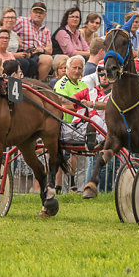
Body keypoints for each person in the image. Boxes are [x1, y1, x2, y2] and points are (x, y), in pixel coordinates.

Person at [54, 55, 87, 190]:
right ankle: (58, 186)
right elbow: (61, 103)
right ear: (67, 68)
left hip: (78, 125)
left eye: (80, 68)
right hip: (62, 123)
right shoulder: (62, 83)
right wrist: (80, 105)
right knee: (60, 155)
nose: (77, 71)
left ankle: (74, 184)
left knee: (76, 154)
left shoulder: (83, 84)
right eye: (74, 67)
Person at [13, 1, 54, 81]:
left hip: (39, 54)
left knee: (48, 59)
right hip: (25, 51)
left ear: (44, 15)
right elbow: (8, 30)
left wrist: (41, 50)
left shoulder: (46, 29)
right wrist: (17, 37)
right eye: (35, 12)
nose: (38, 14)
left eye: (41, 13)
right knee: (32, 62)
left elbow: (50, 50)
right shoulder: (21, 21)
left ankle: (37, 84)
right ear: (30, 13)